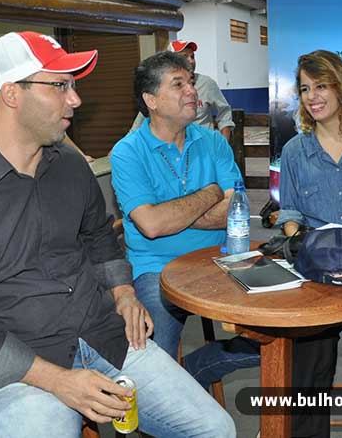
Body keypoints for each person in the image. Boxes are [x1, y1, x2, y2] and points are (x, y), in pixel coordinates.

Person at [0, 31, 234, 438]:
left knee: (216, 429)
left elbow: (99, 237)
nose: (76, 99)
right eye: (60, 86)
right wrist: (59, 380)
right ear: (12, 93)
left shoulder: (69, 166)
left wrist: (124, 293)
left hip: (104, 339)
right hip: (23, 370)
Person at [111, 51, 259, 385]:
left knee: (281, 331)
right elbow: (151, 226)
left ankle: (193, 371)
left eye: (191, 82)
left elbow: (237, 208)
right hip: (157, 268)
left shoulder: (212, 141)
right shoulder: (127, 152)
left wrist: (170, 213)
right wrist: (211, 193)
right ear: (151, 100)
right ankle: (172, 384)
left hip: (220, 259)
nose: (192, 91)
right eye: (178, 84)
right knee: (152, 359)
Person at [276, 50, 342, 437]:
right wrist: (300, 240)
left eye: (320, 86)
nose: (312, 96)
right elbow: (289, 212)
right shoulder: (294, 150)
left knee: (311, 338)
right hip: (316, 268)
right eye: (305, 88)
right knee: (311, 340)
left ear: (341, 87)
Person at [129, 40, 235, 140]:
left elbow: (224, 112)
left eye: (192, 57)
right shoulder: (158, 88)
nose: (191, 61)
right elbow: (138, 124)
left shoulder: (207, 84)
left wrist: (224, 141)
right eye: (184, 57)